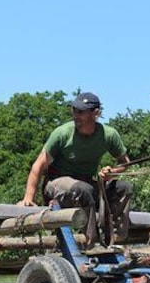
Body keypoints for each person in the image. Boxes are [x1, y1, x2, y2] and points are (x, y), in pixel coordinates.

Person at [20, 92, 133, 247]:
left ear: (96, 114)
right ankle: (92, 244)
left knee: (123, 188)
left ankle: (115, 240)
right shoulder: (62, 134)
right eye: (74, 110)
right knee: (83, 189)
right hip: (56, 184)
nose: (75, 115)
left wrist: (112, 172)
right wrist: (29, 198)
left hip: (87, 185)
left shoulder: (109, 135)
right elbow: (38, 165)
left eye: (81, 112)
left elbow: (125, 163)